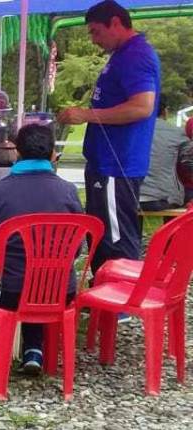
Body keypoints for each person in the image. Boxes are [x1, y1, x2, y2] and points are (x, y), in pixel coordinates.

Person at [58, 0, 160, 272]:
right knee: (101, 234)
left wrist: (87, 115)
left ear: (115, 23)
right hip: (104, 163)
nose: (93, 40)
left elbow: (142, 106)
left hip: (118, 164)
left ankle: (121, 308)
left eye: (95, 32)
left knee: (117, 238)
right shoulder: (122, 54)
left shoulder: (136, 55)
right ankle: (103, 298)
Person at [0, 124, 84, 374]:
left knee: (20, 273)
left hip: (8, 292)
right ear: (53, 154)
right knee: (39, 273)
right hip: (59, 292)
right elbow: (77, 248)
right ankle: (34, 348)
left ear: (17, 153)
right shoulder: (68, 192)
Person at [139, 105, 192, 211]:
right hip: (164, 197)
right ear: (165, 111)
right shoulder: (177, 133)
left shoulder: (126, 131)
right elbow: (188, 163)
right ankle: (175, 228)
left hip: (127, 195)